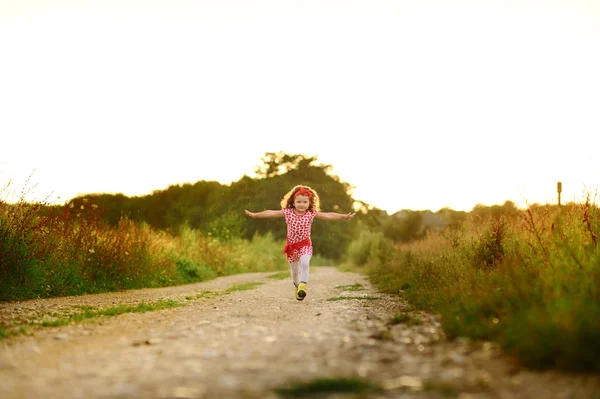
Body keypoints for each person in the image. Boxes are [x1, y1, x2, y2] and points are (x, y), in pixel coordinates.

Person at [244, 185, 355, 301]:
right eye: (299, 202)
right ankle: (297, 287)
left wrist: (343, 216)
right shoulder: (288, 212)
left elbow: (328, 215)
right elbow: (271, 212)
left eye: (305, 202)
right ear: (293, 202)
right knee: (295, 271)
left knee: (305, 262)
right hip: (292, 247)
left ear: (309, 203)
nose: (302, 204)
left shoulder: (311, 213)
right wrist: (256, 215)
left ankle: (303, 285)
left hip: (305, 244)